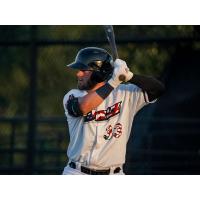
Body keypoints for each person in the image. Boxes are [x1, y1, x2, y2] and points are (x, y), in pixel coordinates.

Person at [62, 47, 165, 175]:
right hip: (77, 173)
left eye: (84, 70)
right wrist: (113, 82)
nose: (78, 74)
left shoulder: (125, 93)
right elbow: (83, 107)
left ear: (99, 73)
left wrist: (130, 76)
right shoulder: (73, 95)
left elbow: (158, 89)